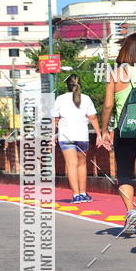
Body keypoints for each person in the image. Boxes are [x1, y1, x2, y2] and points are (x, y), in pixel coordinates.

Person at [99, 33, 136, 237]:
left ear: (125, 50)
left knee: (124, 173)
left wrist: (104, 130)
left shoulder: (116, 73)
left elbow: (107, 106)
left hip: (123, 131)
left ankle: (131, 211)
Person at [53, 74, 103, 203]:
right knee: (82, 164)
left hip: (66, 136)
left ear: (67, 85)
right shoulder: (86, 98)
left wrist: (52, 135)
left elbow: (55, 119)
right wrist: (99, 134)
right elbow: (93, 118)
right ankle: (83, 193)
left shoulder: (60, 99)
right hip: (82, 136)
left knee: (71, 164)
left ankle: (76, 195)